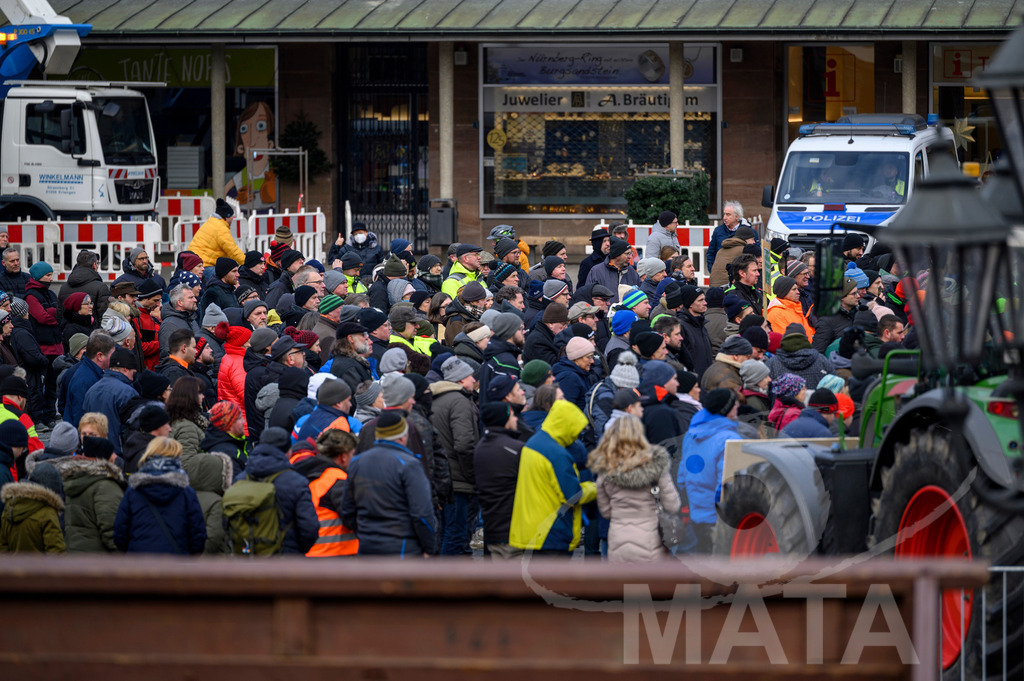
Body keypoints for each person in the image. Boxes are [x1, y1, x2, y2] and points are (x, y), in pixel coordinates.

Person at [340, 411, 437, 556]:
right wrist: (430, 547)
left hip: (367, 546)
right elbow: (422, 514)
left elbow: (347, 509)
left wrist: (364, 531)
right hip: (403, 548)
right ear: (403, 436)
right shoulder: (409, 464)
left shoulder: (357, 463)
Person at [589, 414, 680, 563]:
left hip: (618, 540)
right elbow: (673, 505)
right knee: (650, 584)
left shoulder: (606, 467)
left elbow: (605, 511)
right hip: (651, 540)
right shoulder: (656, 464)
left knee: (622, 584)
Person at [509, 401, 594, 556]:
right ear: (567, 426)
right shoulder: (556, 453)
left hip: (532, 528)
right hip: (551, 532)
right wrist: (595, 487)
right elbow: (573, 495)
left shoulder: (534, 443)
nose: (576, 436)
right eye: (576, 430)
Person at [113, 437, 206, 555]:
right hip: (176, 565)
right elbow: (198, 537)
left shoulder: (133, 491)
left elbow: (120, 535)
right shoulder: (186, 493)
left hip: (139, 564)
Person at [234, 427, 319, 555]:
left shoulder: (240, 480)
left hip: (249, 560)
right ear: (288, 452)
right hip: (286, 562)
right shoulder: (296, 482)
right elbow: (310, 528)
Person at [679, 388, 741, 553]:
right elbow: (727, 481)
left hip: (695, 510)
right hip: (717, 517)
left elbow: (682, 473)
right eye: (734, 403)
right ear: (726, 409)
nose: (737, 406)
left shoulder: (691, 434)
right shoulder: (730, 439)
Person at [430, 357, 480, 555]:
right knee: (456, 533)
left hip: (443, 476)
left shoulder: (438, 399)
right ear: (460, 380)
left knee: (445, 531)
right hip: (457, 480)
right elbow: (465, 444)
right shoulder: (459, 401)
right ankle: (446, 582)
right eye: (469, 376)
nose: (473, 379)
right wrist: (471, 475)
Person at [290, 429, 359, 557]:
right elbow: (354, 518)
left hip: (310, 554)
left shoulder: (306, 474)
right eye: (352, 454)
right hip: (336, 556)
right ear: (343, 457)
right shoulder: (338, 480)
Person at [56, 436, 126, 553]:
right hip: (99, 561)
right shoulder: (105, 486)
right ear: (104, 460)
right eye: (111, 453)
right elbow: (112, 532)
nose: (115, 456)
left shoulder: (75, 478)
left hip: (75, 556)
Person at [473, 402, 524, 560]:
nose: (516, 419)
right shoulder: (516, 449)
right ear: (504, 420)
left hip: (492, 526)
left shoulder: (481, 447)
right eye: (512, 416)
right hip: (513, 527)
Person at [81, 347, 138, 455]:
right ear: (125, 369)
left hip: (94, 454)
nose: (132, 378)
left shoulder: (91, 391)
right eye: (132, 373)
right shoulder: (128, 392)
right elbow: (130, 430)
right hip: (118, 455)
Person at [0, 461, 66, 553]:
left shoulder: (10, 506)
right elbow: (56, 552)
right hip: (39, 567)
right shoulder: (47, 513)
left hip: (13, 566)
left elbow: (3, 547)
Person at [8, 297, 50, 423]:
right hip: (29, 374)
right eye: (27, 311)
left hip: (26, 372)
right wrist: (45, 361)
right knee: (32, 396)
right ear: (22, 313)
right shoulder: (22, 333)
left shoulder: (18, 330)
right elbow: (33, 357)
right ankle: (35, 421)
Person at [186, 199, 245, 268]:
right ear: (227, 217)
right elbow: (232, 250)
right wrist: (248, 263)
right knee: (226, 276)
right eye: (232, 216)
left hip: (193, 262)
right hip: (204, 265)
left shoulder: (212, 222)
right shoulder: (221, 228)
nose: (233, 218)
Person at [59, 250, 111, 324]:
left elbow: (59, 314)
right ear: (94, 265)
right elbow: (104, 317)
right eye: (97, 263)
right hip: (92, 333)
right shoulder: (101, 287)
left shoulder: (64, 287)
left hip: (68, 332)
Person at [707, 201, 759, 274]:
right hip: (720, 274)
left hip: (741, 275)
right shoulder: (718, 231)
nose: (724, 218)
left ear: (736, 216)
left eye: (728, 215)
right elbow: (711, 252)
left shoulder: (749, 232)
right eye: (724, 214)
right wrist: (712, 269)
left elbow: (756, 254)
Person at [583, 237, 641, 303]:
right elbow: (588, 296)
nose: (630, 257)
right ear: (617, 255)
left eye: (631, 253)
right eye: (627, 254)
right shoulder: (596, 271)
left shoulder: (631, 271)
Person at [121, 404, 172, 475]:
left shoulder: (136, 447)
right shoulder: (150, 455)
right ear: (157, 426)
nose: (170, 429)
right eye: (167, 424)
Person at [677, 285, 714, 378]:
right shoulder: (681, 327)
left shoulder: (701, 324)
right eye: (700, 300)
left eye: (704, 299)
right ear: (689, 303)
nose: (705, 303)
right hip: (692, 383)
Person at [167, 376, 208, 459]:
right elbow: (187, 463)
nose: (203, 396)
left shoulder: (181, 418)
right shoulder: (187, 427)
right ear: (190, 396)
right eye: (199, 393)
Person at [766, 276, 815, 341]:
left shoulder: (795, 308)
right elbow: (785, 340)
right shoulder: (776, 313)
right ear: (784, 292)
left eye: (797, 289)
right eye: (794, 289)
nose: (798, 292)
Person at [158, 284, 201, 359]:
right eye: (191, 297)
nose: (195, 300)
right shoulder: (169, 325)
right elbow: (167, 356)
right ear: (180, 302)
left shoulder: (191, 319)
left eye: (194, 297)